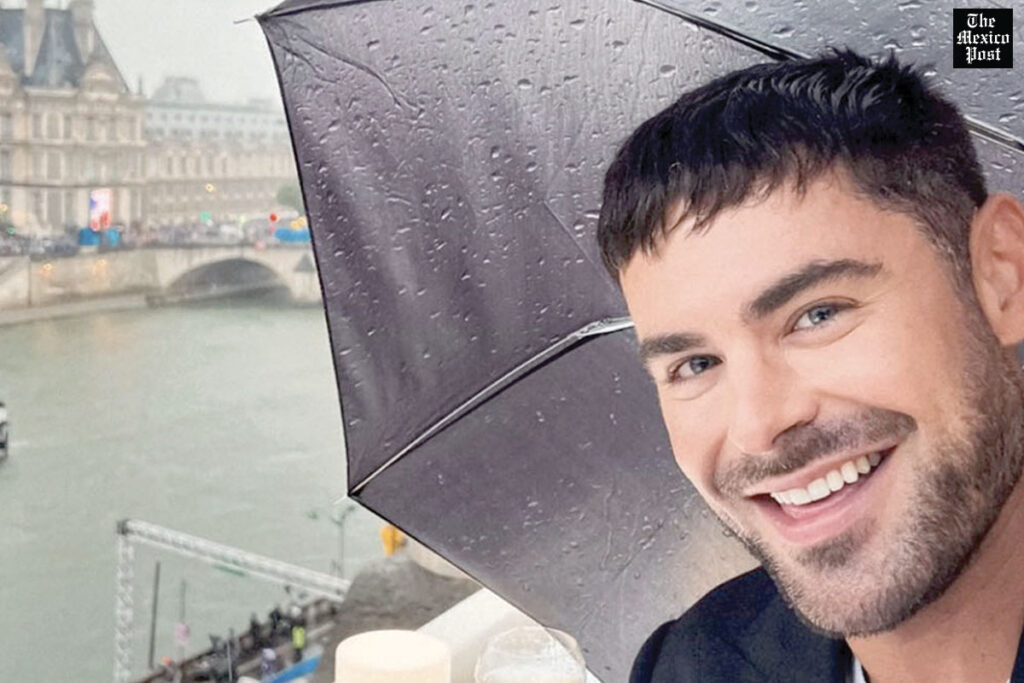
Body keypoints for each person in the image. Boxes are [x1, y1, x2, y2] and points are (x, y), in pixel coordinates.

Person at [597, 49, 1024, 682]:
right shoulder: (690, 665)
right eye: (695, 364)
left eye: (817, 315)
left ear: (1002, 275)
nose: (758, 425)